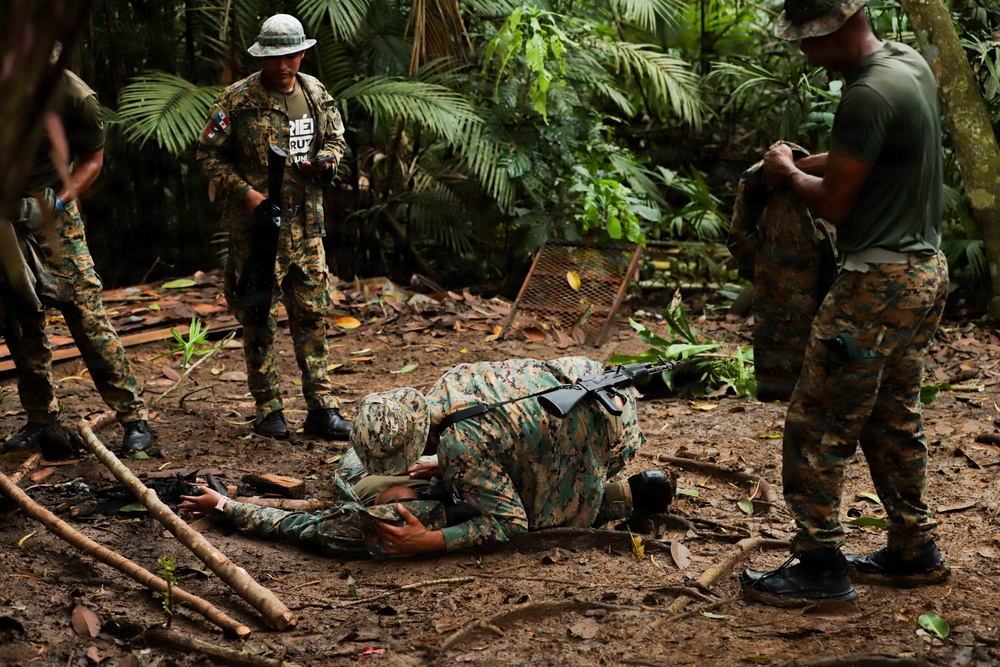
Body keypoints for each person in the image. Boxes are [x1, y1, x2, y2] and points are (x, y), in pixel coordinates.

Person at [740, 0, 951, 606]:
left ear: (831, 31)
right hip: (923, 274)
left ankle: (819, 567)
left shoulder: (864, 96)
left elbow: (833, 203)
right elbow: (871, 159)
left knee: (817, 423)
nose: (804, 52)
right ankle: (915, 549)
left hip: (875, 282)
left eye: (806, 41)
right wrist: (800, 164)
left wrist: (786, 173)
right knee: (890, 416)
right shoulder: (907, 64)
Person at [179, 357, 674, 558]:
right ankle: (634, 494)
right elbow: (503, 427)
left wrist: (430, 540)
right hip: (609, 399)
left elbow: (512, 524)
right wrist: (447, 465)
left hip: (599, 436)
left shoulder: (386, 512)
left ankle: (611, 496)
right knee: (556, 480)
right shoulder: (452, 385)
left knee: (545, 510)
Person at [196, 14, 351, 441]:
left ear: (302, 52)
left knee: (312, 317)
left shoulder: (315, 91)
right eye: (276, 57)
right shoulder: (237, 99)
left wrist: (328, 161)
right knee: (258, 319)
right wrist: (246, 194)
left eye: (292, 55)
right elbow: (207, 155)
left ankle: (322, 409)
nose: (284, 65)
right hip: (257, 231)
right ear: (263, 56)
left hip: (306, 226)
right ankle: (269, 410)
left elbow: (337, 139)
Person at [1, 61, 155, 455]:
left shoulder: (73, 94)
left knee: (86, 315)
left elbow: (93, 159)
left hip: (54, 220)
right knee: (20, 320)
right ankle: (41, 419)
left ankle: (132, 416)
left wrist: (57, 201)